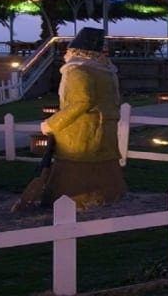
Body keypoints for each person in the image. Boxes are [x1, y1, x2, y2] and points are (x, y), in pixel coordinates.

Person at [36, 27, 127, 209]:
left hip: (80, 134)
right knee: (106, 172)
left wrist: (51, 124)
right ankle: (109, 196)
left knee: (72, 176)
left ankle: (74, 199)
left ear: (75, 50)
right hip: (105, 133)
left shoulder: (77, 70)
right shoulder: (106, 72)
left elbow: (81, 102)